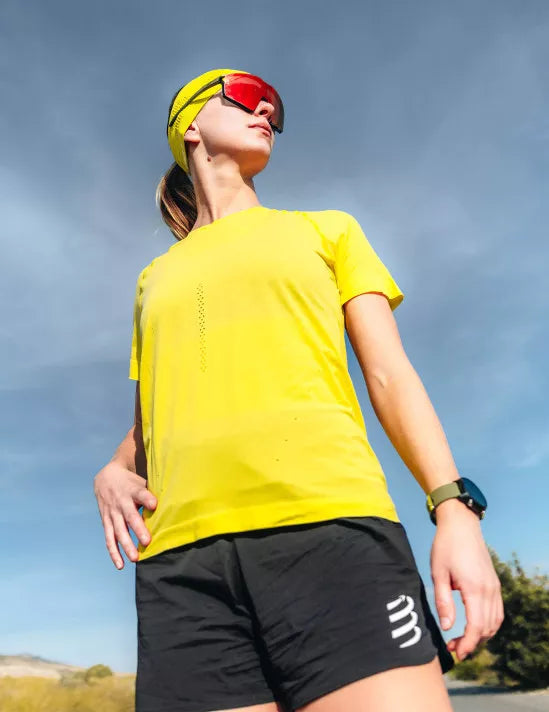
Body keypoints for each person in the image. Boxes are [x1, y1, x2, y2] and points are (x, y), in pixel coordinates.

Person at [93, 68, 504, 712]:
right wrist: (115, 469)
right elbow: (155, 415)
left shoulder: (327, 230)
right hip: (180, 566)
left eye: (275, 110)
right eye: (249, 98)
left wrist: (453, 508)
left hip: (330, 531)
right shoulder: (154, 279)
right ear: (191, 125)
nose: (268, 114)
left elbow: (389, 375)